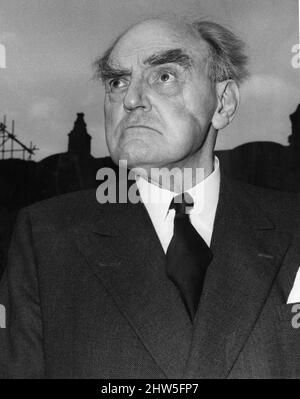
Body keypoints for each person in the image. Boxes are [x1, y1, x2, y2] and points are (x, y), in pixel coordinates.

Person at [0, 16, 299, 379]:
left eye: (164, 76)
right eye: (116, 81)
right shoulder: (47, 239)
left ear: (223, 103)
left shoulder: (293, 227)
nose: (131, 99)